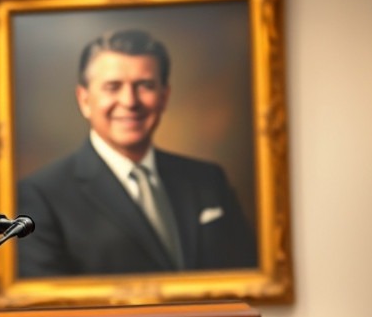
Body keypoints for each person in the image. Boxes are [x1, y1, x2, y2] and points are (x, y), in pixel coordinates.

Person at [17, 29, 257, 277]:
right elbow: (45, 305)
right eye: (113, 87)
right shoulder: (41, 195)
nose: (130, 101)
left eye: (145, 86)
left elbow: (246, 279)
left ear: (164, 97)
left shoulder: (209, 181)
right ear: (84, 100)